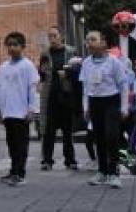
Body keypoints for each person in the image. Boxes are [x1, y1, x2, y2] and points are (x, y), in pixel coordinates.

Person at [79, 30, 128, 189]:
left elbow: (123, 86)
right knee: (98, 137)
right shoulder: (86, 63)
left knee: (112, 136)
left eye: (93, 39)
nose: (89, 43)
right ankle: (102, 171)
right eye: (87, 40)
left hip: (111, 101)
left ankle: (114, 173)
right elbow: (86, 87)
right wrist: (85, 107)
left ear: (103, 43)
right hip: (94, 102)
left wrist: (124, 107)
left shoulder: (114, 62)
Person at [0, 31, 40, 187]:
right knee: (11, 143)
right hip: (8, 112)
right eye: (9, 45)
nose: (12, 48)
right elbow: (0, 89)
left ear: (23, 47)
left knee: (21, 144)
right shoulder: (3, 67)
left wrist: (32, 109)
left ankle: (20, 173)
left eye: (15, 45)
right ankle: (13, 170)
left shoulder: (27, 66)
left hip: (21, 113)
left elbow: (33, 89)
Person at [39, 27, 78, 171]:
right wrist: (43, 72)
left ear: (61, 36)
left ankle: (70, 160)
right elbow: (42, 75)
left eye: (55, 35)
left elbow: (78, 71)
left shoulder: (71, 51)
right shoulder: (45, 53)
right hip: (51, 96)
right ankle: (47, 160)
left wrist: (67, 73)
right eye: (50, 36)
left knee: (68, 130)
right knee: (48, 131)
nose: (52, 39)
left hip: (67, 95)